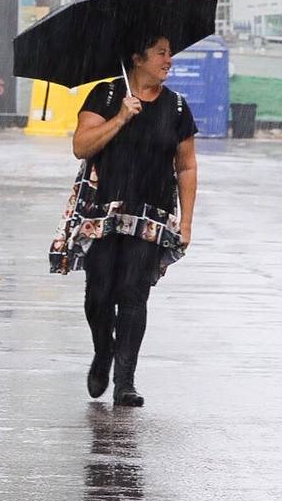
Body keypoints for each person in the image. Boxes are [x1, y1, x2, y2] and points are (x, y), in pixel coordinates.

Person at [69, 33, 198, 407]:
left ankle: (125, 380)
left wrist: (186, 222)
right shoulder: (107, 96)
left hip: (151, 215)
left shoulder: (176, 108)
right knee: (98, 294)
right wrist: (122, 117)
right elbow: (82, 146)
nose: (169, 60)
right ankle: (102, 351)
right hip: (104, 213)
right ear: (137, 58)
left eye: (170, 53)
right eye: (161, 53)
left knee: (132, 294)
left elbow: (187, 166)